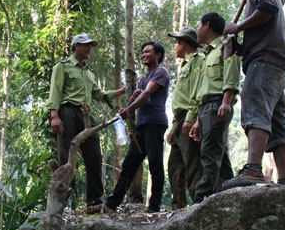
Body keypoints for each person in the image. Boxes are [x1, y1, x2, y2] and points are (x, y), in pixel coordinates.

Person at [221, 0, 285, 189]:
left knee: (256, 109)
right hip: (274, 61)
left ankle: (253, 169)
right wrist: (241, 47)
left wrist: (238, 26)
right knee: (275, 120)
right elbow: (267, 17)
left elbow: (267, 8)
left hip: (264, 61)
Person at [47, 33, 125, 208]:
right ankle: (67, 201)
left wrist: (121, 91)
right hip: (67, 112)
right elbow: (55, 91)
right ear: (76, 46)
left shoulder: (89, 73)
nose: (90, 48)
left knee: (94, 156)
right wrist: (54, 116)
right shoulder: (63, 67)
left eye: (91, 45)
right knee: (66, 157)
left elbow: (99, 94)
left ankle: (94, 201)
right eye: (86, 45)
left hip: (86, 115)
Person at [96, 41, 171, 214]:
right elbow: (135, 97)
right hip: (141, 126)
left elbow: (147, 94)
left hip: (154, 124)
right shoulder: (144, 78)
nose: (143, 55)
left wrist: (129, 109)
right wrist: (131, 101)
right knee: (129, 165)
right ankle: (111, 204)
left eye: (147, 52)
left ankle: (154, 207)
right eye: (142, 52)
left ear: (157, 55)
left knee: (155, 165)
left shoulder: (160, 72)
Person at [187, 12, 241, 203]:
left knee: (209, 153)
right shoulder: (207, 54)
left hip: (217, 103)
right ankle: (227, 196)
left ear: (207, 25)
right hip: (205, 108)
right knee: (218, 154)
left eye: (198, 25)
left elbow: (231, 74)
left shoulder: (225, 46)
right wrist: (197, 120)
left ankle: (201, 199)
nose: (197, 30)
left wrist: (226, 101)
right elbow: (203, 88)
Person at [166, 26, 204, 209]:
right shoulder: (185, 65)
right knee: (174, 167)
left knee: (192, 166)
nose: (174, 46)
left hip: (189, 119)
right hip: (180, 121)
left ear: (185, 44)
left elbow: (197, 92)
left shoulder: (199, 60)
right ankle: (178, 208)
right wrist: (174, 127)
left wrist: (191, 118)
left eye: (177, 42)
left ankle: (198, 206)